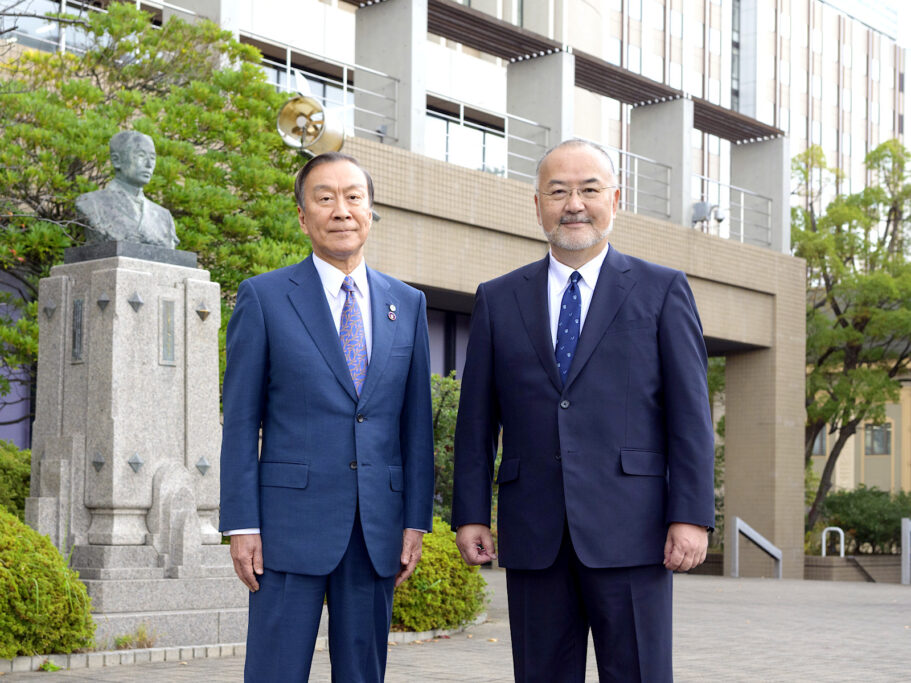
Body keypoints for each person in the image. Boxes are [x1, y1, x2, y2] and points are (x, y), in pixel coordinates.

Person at [451, 139, 715, 682]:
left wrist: (690, 515)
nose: (574, 204)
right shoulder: (498, 298)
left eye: (589, 189)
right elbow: (476, 420)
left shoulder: (662, 290)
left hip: (634, 532)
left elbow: (690, 416)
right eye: (558, 191)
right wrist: (471, 512)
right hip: (534, 533)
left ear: (614, 199)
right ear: (537, 205)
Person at [219, 152, 434, 682]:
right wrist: (242, 524)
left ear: (370, 210)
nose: (342, 210)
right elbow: (242, 420)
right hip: (286, 528)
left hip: (375, 528)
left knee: (363, 673)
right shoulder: (264, 297)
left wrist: (414, 520)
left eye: (354, 197)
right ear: (302, 215)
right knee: (275, 672)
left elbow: (415, 426)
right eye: (325, 198)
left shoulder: (406, 304)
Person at [75, 131, 179, 249]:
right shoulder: (91, 203)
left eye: (152, 158)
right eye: (141, 155)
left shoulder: (164, 217)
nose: (149, 164)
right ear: (116, 161)